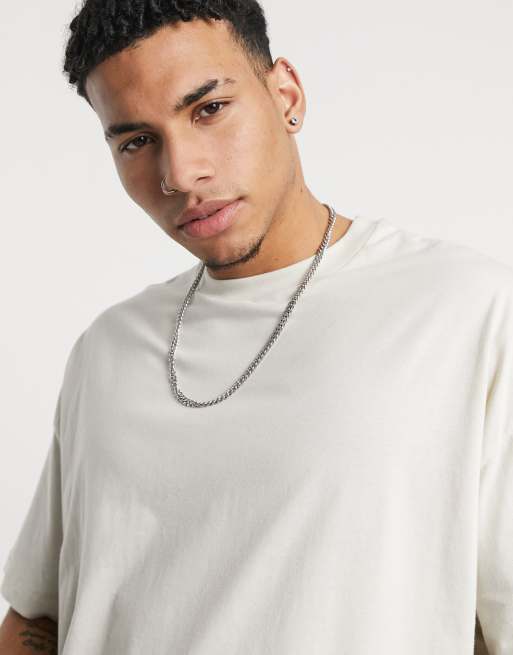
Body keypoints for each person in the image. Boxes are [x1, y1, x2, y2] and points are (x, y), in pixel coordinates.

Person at [0, 1, 511, 653]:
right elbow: (36, 617)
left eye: (209, 109)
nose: (181, 174)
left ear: (286, 95)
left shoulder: (464, 310)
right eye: (136, 141)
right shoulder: (107, 350)